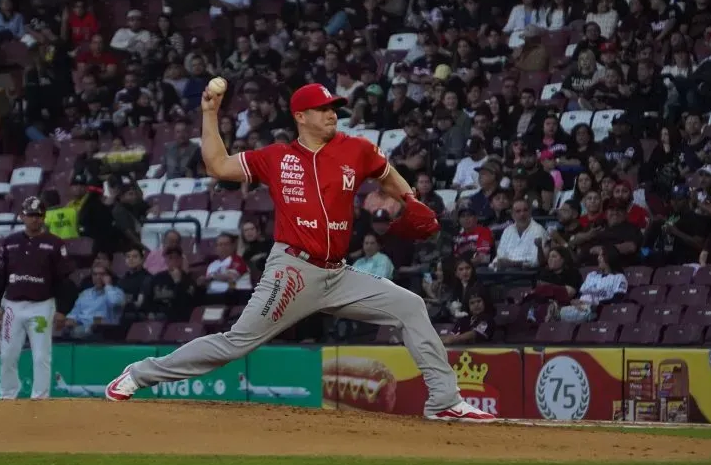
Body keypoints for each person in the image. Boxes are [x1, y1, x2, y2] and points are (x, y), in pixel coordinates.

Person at [105, 81, 495, 422]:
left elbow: (385, 173)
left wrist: (408, 197)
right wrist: (209, 113)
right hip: (292, 270)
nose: (332, 114)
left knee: (410, 306)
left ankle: (445, 400)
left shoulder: (356, 149)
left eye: (334, 108)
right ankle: (139, 373)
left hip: (339, 274)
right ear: (301, 116)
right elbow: (218, 166)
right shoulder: (276, 157)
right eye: (323, 109)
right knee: (237, 342)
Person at [0, 196, 69, 400]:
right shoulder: (10, 242)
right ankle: (8, 394)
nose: (34, 220)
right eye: (30, 215)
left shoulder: (54, 244)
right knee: (8, 353)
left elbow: (63, 280)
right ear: (21, 216)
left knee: (40, 355)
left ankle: (40, 396)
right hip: (13, 305)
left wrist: (62, 309)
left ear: (44, 217)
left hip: (42, 305)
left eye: (38, 215)